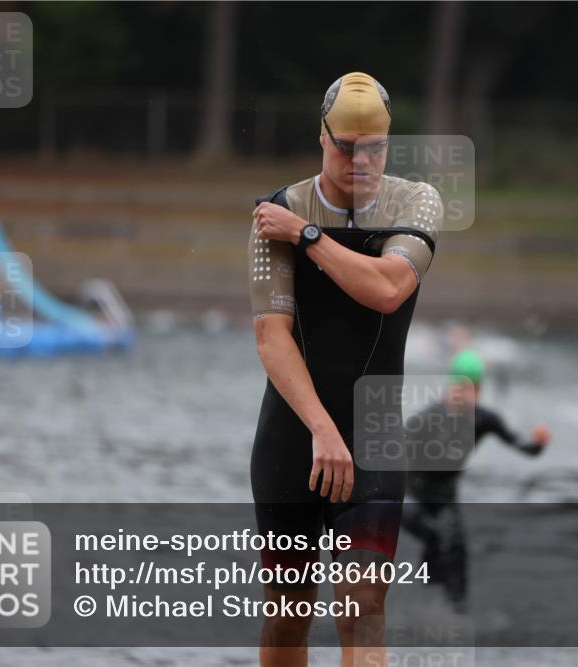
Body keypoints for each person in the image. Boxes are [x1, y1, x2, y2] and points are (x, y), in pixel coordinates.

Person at [248, 72, 443, 667]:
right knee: (287, 618)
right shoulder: (278, 209)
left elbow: (386, 289)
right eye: (346, 148)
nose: (361, 161)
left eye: (376, 149)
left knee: (361, 611)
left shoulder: (417, 202)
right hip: (293, 437)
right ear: (322, 139)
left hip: (373, 437)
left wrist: (308, 237)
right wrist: (321, 429)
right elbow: (271, 335)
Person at [402, 349, 551, 611]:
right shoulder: (427, 418)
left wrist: (539, 444)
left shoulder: (484, 419)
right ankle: (425, 607)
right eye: (461, 386)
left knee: (458, 550)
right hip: (410, 497)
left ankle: (457, 613)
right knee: (437, 538)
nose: (466, 395)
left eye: (474, 388)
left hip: (446, 499)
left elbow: (523, 447)